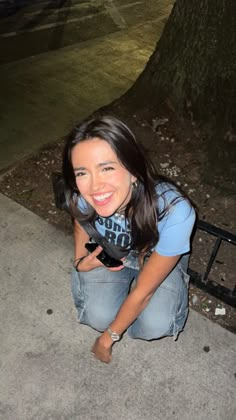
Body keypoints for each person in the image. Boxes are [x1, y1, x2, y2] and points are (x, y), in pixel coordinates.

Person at [62, 115, 196, 363]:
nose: (94, 186)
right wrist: (82, 262)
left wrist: (108, 337)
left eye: (107, 168)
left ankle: (127, 317)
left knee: (154, 325)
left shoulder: (175, 211)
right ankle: (120, 310)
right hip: (111, 250)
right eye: (82, 172)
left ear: (133, 170)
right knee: (97, 316)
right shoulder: (82, 193)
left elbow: (143, 293)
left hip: (154, 257)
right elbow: (81, 219)